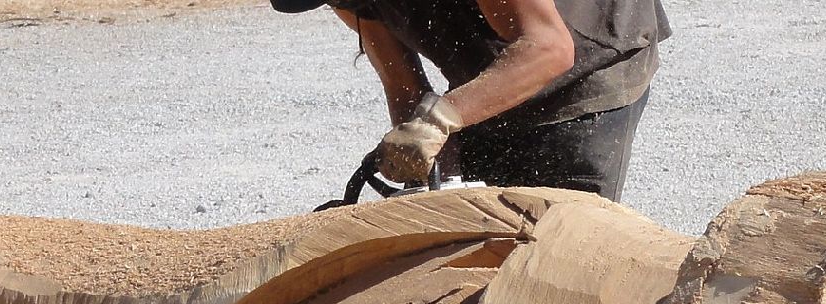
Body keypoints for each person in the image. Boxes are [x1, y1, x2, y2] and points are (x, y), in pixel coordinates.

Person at [271, 0, 669, 202]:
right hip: (497, 57)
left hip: (587, 58)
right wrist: (426, 156)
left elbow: (549, 49)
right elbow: (405, 87)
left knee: (559, 248)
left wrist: (441, 120)